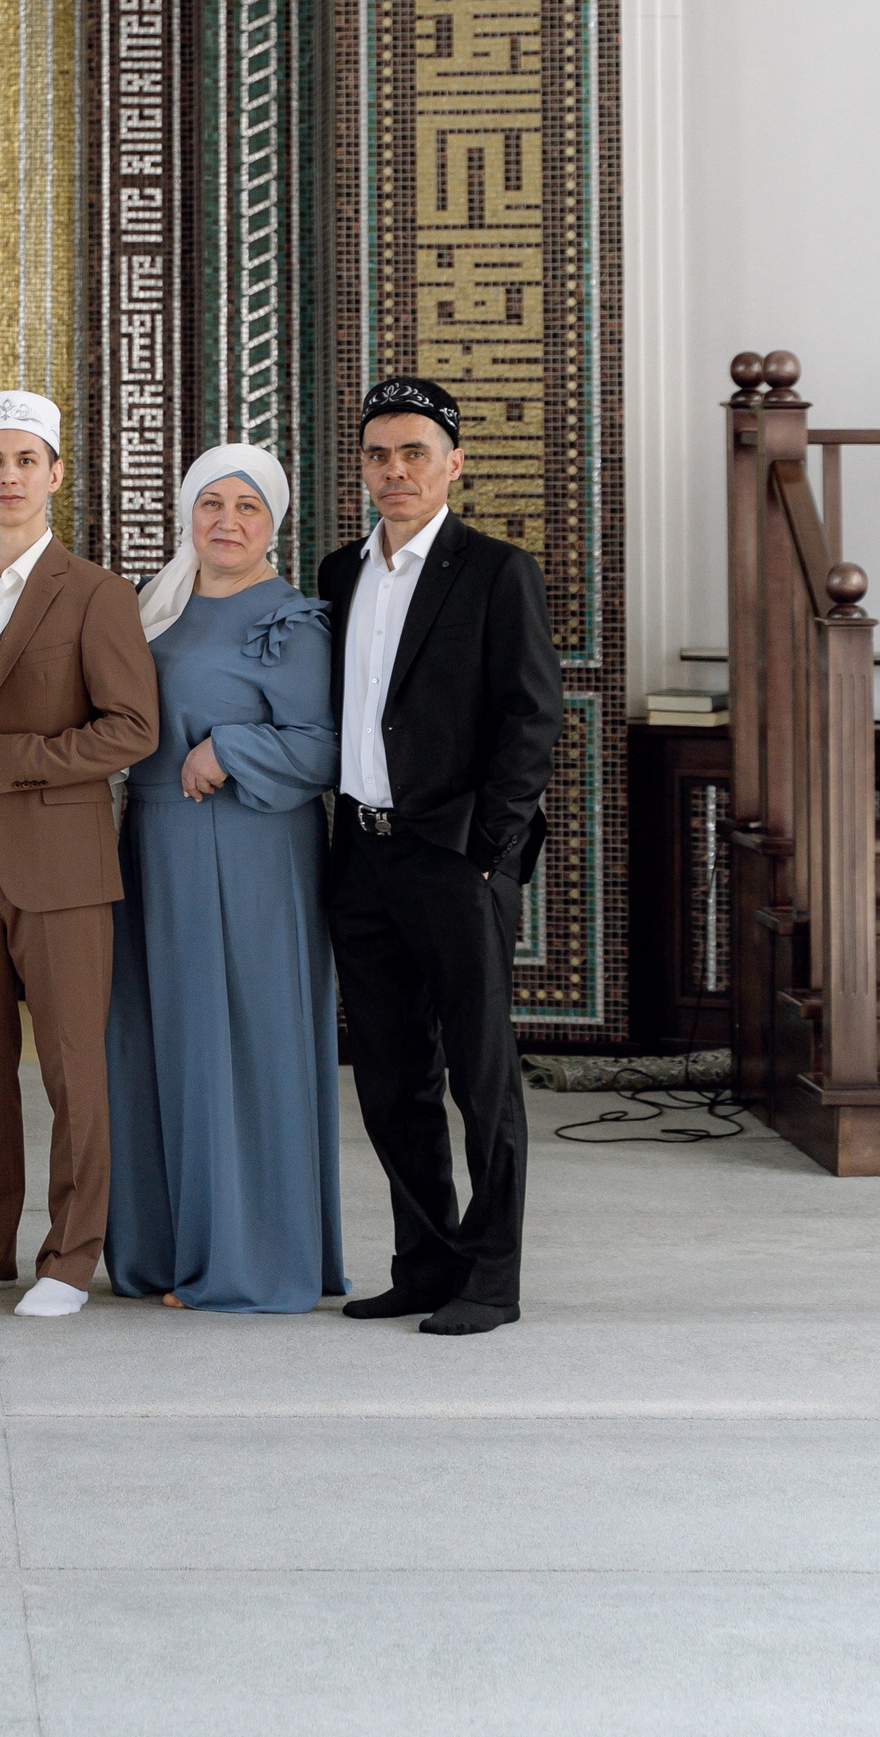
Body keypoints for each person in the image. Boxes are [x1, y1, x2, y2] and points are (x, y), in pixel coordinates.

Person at [320, 376, 563, 1337]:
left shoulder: (496, 571)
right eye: (379, 454)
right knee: (391, 1080)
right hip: (362, 858)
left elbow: (531, 719)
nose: (395, 470)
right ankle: (423, 1265)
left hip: (456, 859)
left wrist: (489, 852)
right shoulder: (340, 573)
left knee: (481, 1079)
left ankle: (490, 1281)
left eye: (414, 452)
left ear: (453, 463)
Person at [0, 392, 160, 1319]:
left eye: (27, 460)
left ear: (55, 475)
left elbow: (133, 729)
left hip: (62, 867)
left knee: (72, 1070)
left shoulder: (97, 593)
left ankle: (70, 1257)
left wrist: (13, 758)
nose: (9, 476)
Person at [105, 445, 346, 1314]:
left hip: (247, 851)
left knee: (240, 1041)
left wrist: (230, 749)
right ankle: (163, 1250)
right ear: (186, 513)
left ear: (273, 521)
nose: (228, 522)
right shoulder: (153, 603)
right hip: (151, 848)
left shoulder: (292, 620)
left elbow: (324, 748)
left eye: (248, 507)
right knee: (154, 1040)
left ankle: (246, 1261)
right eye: (212, 503)